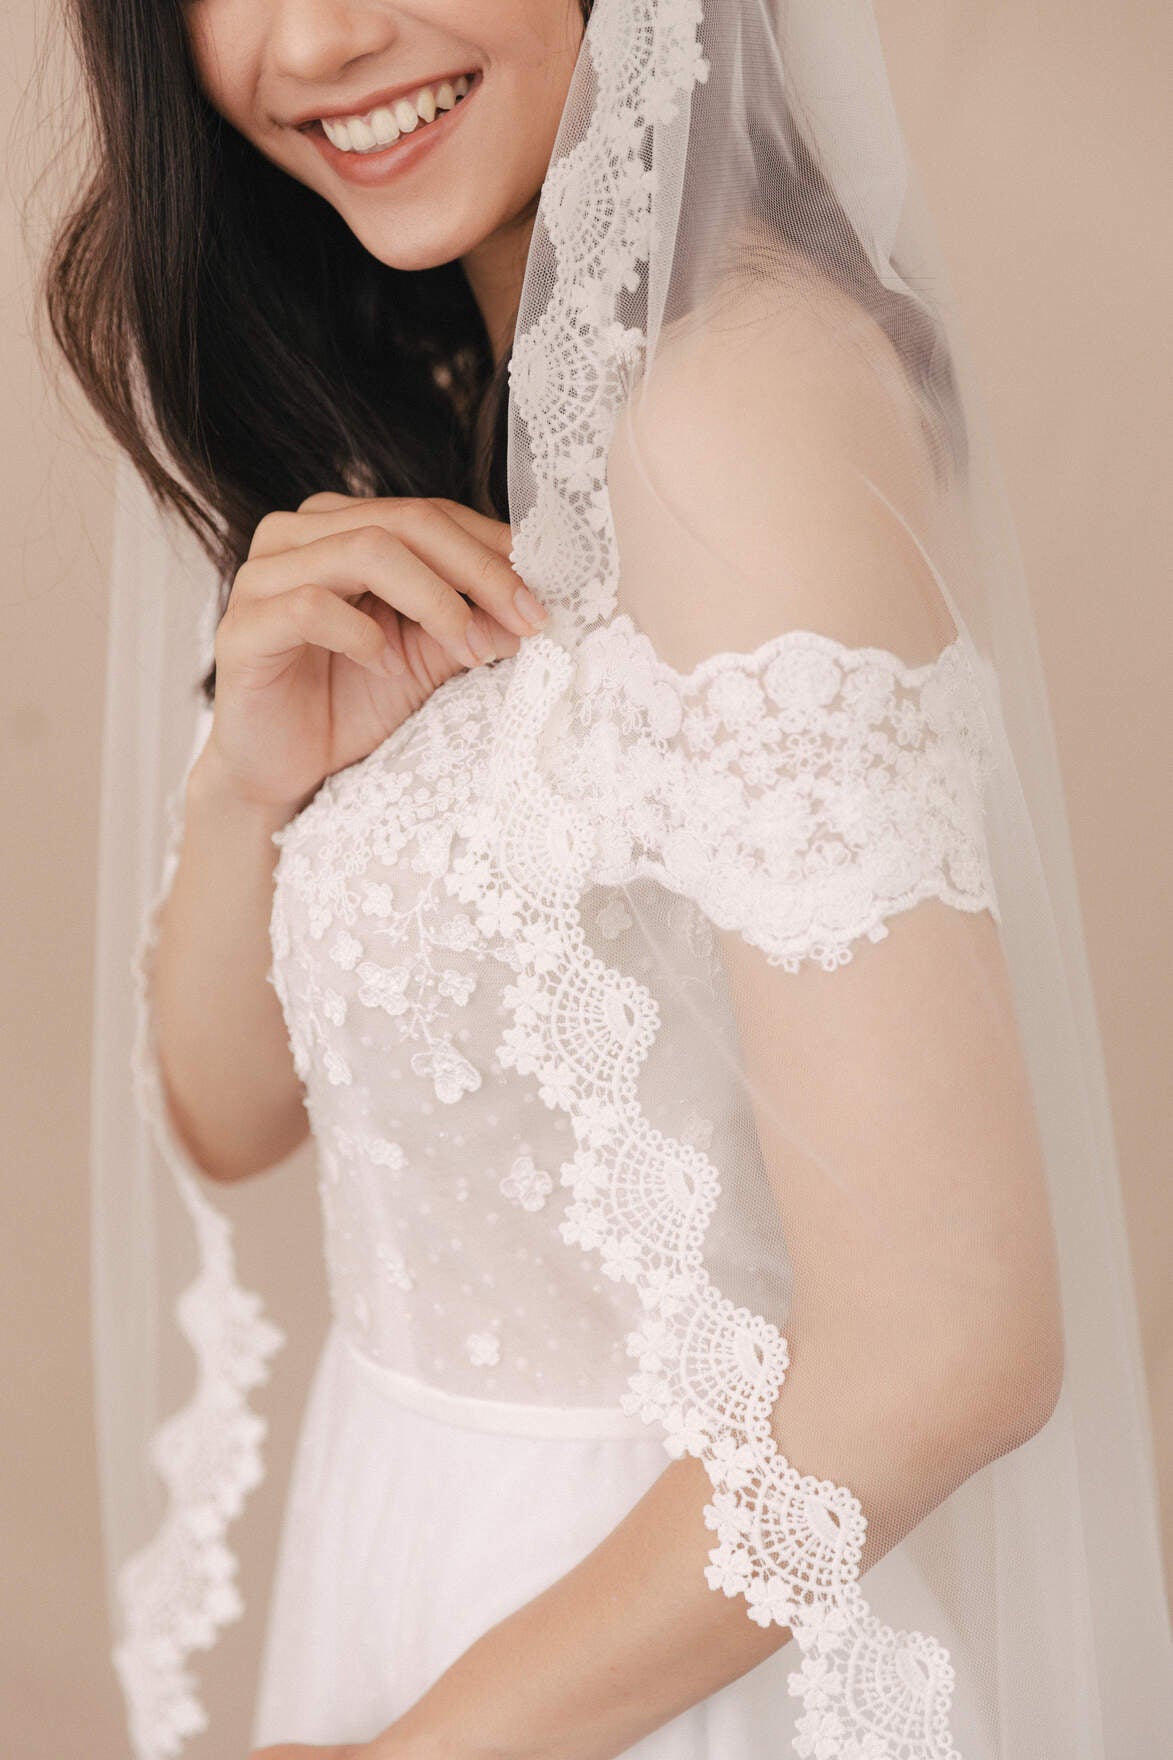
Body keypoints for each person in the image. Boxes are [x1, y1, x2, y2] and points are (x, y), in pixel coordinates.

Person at [53, 1, 1173, 1756]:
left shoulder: (732, 409)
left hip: (649, 1656)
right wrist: (252, 787)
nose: (320, 37)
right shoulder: (431, 407)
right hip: (413, 1567)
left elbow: (947, 1348)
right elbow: (231, 1114)